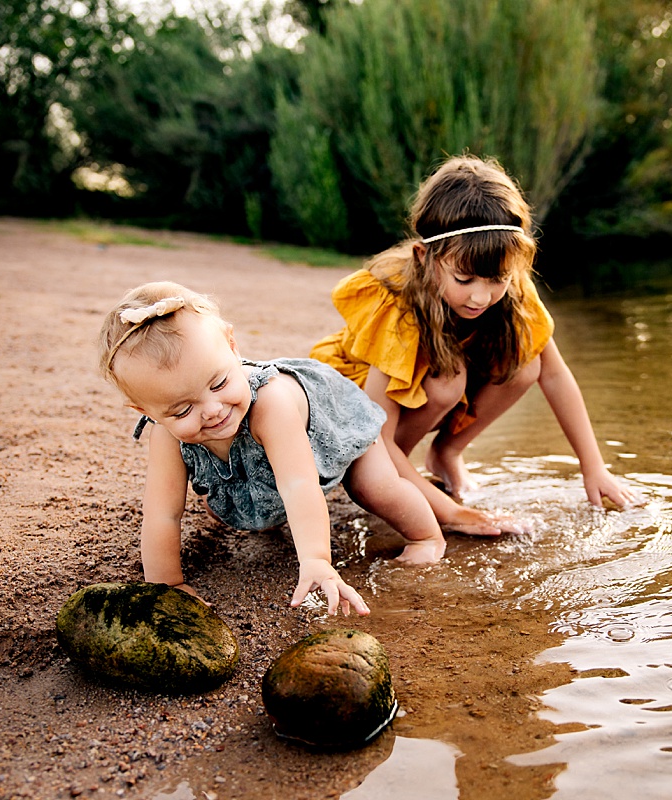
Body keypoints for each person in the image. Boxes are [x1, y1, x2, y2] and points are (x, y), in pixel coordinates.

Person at [311, 155, 634, 532]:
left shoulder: (508, 284)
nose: (481, 297)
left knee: (528, 362)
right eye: (464, 280)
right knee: (447, 381)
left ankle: (446, 454)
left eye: (496, 279)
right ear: (425, 257)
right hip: (361, 419)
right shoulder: (396, 305)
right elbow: (374, 434)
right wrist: (453, 515)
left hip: (421, 398)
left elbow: (556, 375)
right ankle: (395, 478)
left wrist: (593, 468)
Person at [98, 281, 446, 617]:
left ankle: (428, 536)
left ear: (232, 346)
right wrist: (166, 583)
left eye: (219, 383)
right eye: (183, 410)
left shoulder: (269, 403)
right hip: (264, 461)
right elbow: (162, 513)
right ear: (147, 412)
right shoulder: (166, 434)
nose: (213, 409)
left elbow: (299, 485)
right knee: (223, 505)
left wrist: (316, 560)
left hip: (331, 423)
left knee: (374, 487)